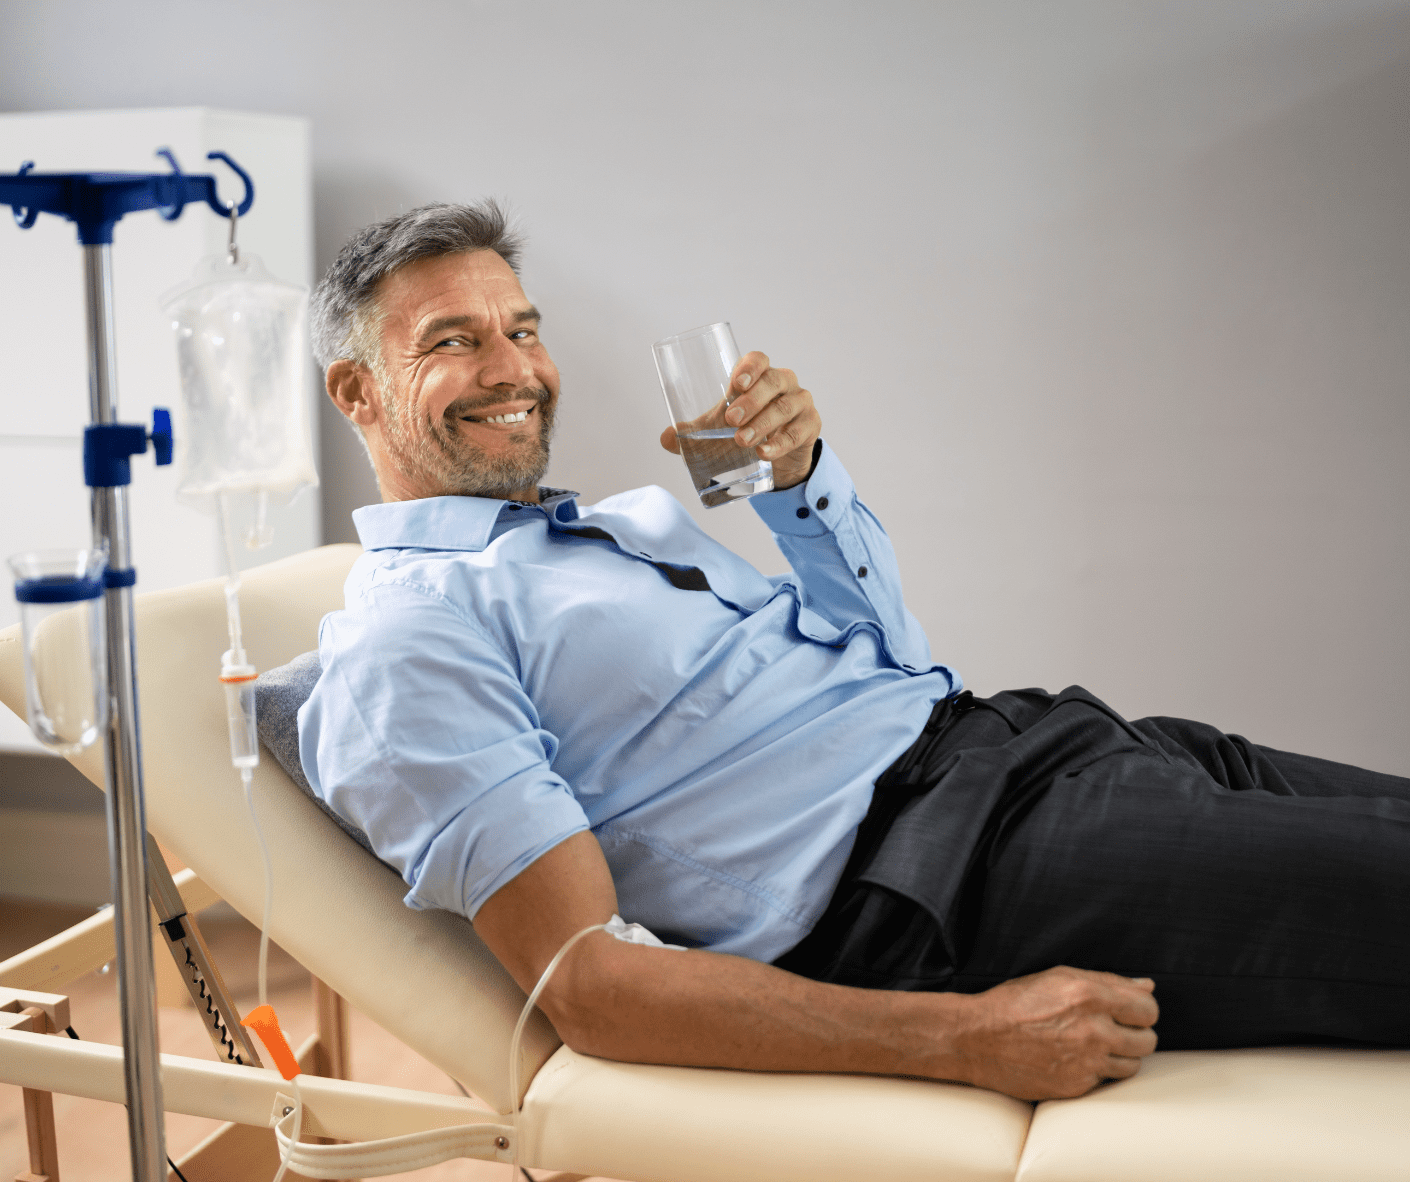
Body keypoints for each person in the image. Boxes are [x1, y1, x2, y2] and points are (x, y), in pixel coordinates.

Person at [300, 201, 1409, 1103]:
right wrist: (966, 1039)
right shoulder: (410, 636)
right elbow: (586, 983)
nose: (515, 369)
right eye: (454, 341)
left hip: (1029, 744)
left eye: (523, 329)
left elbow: (895, 668)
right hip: (947, 878)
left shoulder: (609, 526)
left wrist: (799, 486)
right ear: (356, 390)